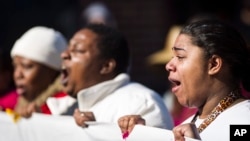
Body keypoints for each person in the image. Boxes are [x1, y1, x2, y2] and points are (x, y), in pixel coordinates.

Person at [117, 20, 250, 141]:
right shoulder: (188, 124)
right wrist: (143, 136)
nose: (168, 65)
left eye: (180, 56)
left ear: (214, 64)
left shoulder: (244, 122)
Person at [59, 23, 173, 129]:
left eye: (77, 50)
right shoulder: (63, 107)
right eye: (68, 49)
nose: (64, 54)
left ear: (106, 66)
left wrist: (98, 131)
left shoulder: (143, 103)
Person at [11, 26, 74, 118]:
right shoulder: (13, 103)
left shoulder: (67, 106)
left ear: (52, 71)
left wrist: (40, 121)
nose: (17, 75)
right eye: (15, 66)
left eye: (27, 67)